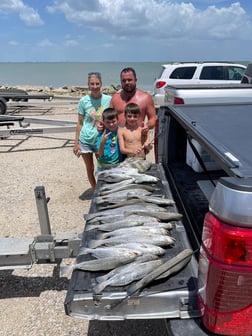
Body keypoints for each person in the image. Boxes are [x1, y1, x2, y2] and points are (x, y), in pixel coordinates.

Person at [73, 72, 111, 189]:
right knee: (90, 168)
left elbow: (112, 118)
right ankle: (95, 190)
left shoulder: (108, 99)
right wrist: (76, 143)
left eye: (97, 83)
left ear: (101, 84)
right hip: (85, 140)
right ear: (88, 85)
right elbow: (79, 123)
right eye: (92, 84)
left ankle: (105, 187)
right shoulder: (83, 101)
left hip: (101, 140)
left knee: (103, 166)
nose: (95, 86)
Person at [109, 67, 157, 131]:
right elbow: (109, 116)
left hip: (137, 137)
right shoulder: (115, 98)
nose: (126, 82)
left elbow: (152, 119)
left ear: (136, 80)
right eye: (124, 80)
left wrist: (146, 126)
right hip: (118, 137)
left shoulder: (146, 98)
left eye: (129, 80)